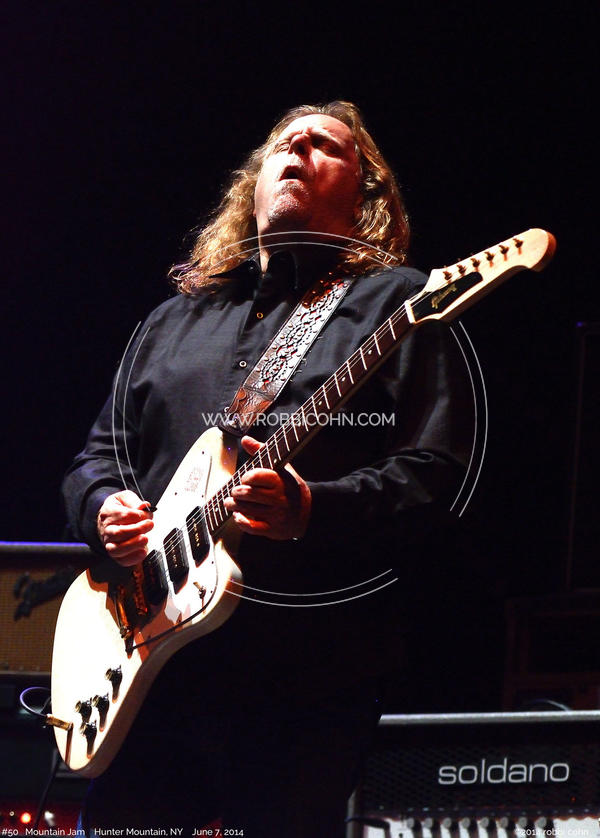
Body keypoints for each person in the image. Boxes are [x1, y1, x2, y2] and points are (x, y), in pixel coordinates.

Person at [62, 100, 473, 837]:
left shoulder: (398, 302)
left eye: (326, 146)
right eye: (285, 142)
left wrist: (313, 507)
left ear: (366, 195)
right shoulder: (173, 320)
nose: (298, 150)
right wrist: (103, 507)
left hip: (306, 674)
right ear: (251, 184)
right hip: (148, 674)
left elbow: (434, 470)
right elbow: (98, 455)